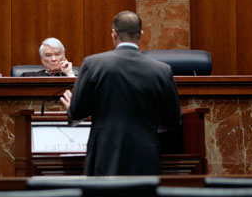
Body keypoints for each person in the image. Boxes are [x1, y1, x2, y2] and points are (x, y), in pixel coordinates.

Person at [60, 11, 181, 176]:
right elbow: (172, 120)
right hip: (145, 156)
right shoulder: (161, 70)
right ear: (141, 34)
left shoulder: (93, 64)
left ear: (114, 34)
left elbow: (78, 112)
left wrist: (71, 108)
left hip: (105, 155)